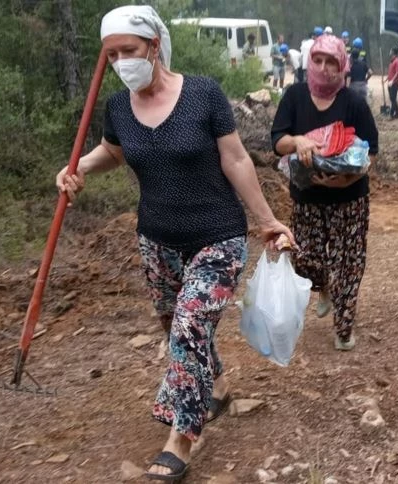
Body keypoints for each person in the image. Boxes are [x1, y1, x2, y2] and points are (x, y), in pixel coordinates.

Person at [56, 5, 295, 481]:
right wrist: (77, 166)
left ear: (154, 46)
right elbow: (114, 153)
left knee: (188, 327)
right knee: (179, 328)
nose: (121, 62)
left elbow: (236, 159)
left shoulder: (203, 94)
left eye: (128, 50)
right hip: (157, 241)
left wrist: (267, 220)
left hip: (217, 235)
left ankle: (181, 439)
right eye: (111, 55)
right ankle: (217, 387)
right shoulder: (118, 107)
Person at [270, 34, 379, 351]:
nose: (323, 67)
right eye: (317, 60)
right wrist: (297, 141)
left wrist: (349, 178)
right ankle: (324, 287)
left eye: (331, 62)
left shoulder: (353, 103)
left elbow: (371, 149)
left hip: (349, 199)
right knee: (306, 263)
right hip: (307, 198)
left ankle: (344, 329)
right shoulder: (294, 97)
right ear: (309, 62)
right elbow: (277, 141)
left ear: (342, 65)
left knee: (348, 264)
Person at [386, 46, 398, 119]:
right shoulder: (392, 61)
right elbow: (391, 72)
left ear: (393, 52)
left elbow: (397, 72)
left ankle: (391, 114)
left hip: (394, 83)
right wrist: (386, 79)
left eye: (390, 51)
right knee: (392, 98)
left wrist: (392, 80)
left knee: (393, 98)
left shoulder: (397, 61)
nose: (389, 52)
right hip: (390, 82)